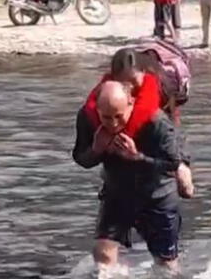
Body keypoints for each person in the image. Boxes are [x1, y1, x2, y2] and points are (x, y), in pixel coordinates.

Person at [73, 81, 183, 273]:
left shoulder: (156, 122)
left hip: (157, 196)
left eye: (119, 116)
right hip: (117, 192)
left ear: (131, 103)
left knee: (166, 266)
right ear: (96, 109)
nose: (113, 123)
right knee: (103, 254)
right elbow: (81, 158)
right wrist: (96, 149)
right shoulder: (87, 119)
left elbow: (172, 164)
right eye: (106, 117)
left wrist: (137, 157)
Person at [82, 47, 194, 198]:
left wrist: (181, 164)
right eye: (124, 83)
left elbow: (173, 126)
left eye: (134, 82)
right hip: (119, 179)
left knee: (176, 163)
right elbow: (84, 154)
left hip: (160, 153)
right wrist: (97, 149)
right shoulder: (108, 96)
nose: (130, 88)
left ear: (143, 73)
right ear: (113, 79)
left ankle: (182, 168)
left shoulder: (159, 89)